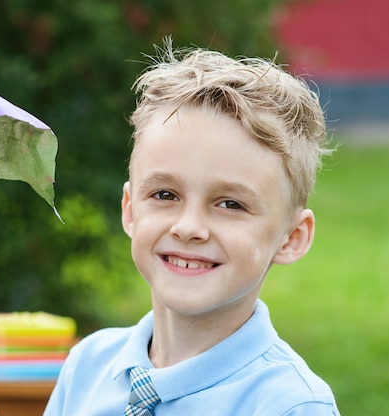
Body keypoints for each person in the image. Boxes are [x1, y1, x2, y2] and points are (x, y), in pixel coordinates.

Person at [42, 39, 340, 415]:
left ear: (291, 238)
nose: (189, 227)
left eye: (231, 204)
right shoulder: (87, 365)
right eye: (166, 194)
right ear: (131, 210)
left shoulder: (289, 405)